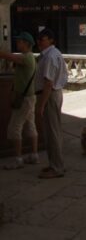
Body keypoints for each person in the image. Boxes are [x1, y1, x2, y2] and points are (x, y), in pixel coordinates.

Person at [1, 32, 39, 169]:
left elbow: (8, 56)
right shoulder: (29, 57)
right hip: (29, 97)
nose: (18, 44)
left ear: (26, 43)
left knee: (14, 127)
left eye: (20, 41)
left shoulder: (27, 57)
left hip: (24, 98)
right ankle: (34, 155)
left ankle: (17, 159)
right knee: (30, 125)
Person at [34, 28, 68, 179]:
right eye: (39, 39)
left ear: (50, 40)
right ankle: (55, 163)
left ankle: (57, 167)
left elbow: (48, 82)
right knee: (53, 131)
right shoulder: (54, 54)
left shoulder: (49, 57)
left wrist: (41, 104)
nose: (40, 42)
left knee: (52, 132)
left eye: (43, 39)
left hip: (50, 95)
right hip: (54, 94)